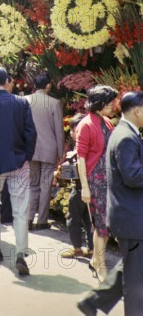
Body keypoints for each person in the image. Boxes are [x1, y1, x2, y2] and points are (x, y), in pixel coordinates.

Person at [77, 91, 143, 315]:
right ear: (137, 110)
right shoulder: (125, 136)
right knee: (135, 282)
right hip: (130, 214)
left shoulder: (121, 130)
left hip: (127, 212)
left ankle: (92, 301)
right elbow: (133, 176)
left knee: (131, 266)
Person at [0, 66, 37, 276]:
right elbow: (31, 132)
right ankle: (21, 253)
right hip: (19, 162)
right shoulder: (21, 102)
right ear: (7, 81)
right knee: (21, 210)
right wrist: (26, 156)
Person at [76, 85, 118, 283]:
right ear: (99, 103)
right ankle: (100, 266)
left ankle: (95, 259)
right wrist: (85, 187)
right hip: (96, 180)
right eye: (109, 102)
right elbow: (81, 158)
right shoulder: (86, 124)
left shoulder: (107, 122)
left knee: (106, 226)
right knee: (101, 226)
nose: (113, 105)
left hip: (109, 180)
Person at [26, 73, 64, 230]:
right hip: (49, 149)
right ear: (48, 85)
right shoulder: (54, 103)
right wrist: (61, 152)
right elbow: (59, 130)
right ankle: (42, 220)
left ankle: (28, 218)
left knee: (32, 184)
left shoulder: (25, 101)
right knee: (45, 184)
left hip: (30, 149)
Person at [60, 113, 93, 259]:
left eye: (75, 130)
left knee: (74, 218)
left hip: (80, 188)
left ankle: (77, 248)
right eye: (72, 130)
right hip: (91, 187)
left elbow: (78, 168)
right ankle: (91, 249)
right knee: (89, 219)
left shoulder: (82, 147)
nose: (72, 133)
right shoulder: (90, 144)